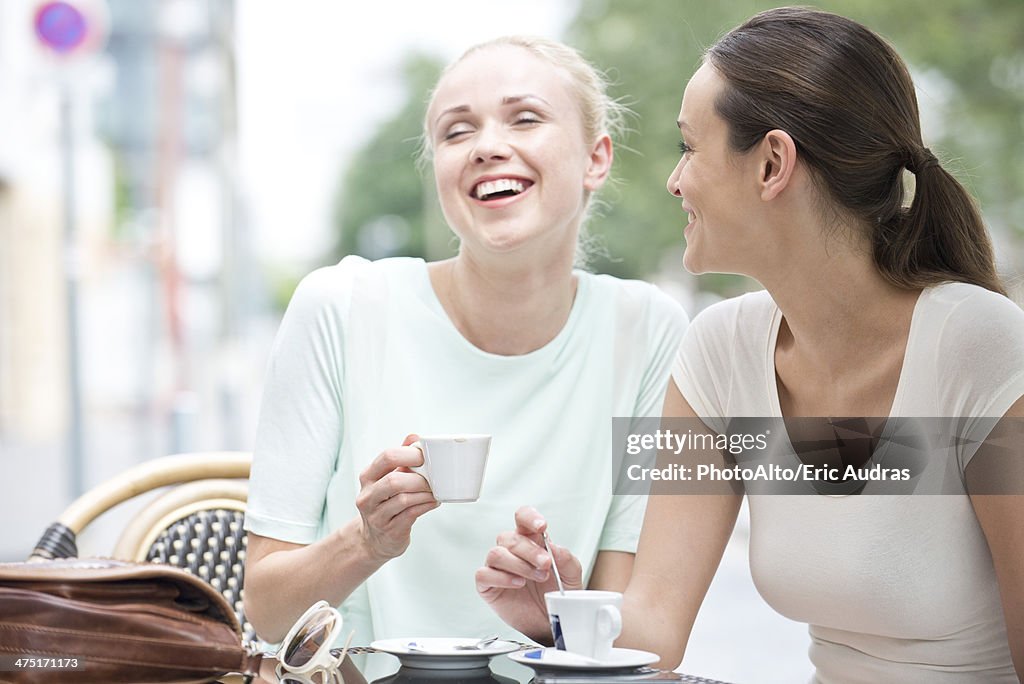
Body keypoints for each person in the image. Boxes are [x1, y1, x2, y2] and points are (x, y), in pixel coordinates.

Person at [477, 8, 1024, 682]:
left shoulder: (985, 348)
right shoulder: (716, 353)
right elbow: (655, 630)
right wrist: (555, 610)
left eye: (688, 147)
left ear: (771, 163)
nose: (674, 181)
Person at [241, 33, 689, 665]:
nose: (486, 147)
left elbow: (635, 644)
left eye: (525, 118)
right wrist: (366, 542)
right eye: (456, 132)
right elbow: (268, 611)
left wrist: (553, 618)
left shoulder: (647, 331)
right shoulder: (340, 307)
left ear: (595, 158)